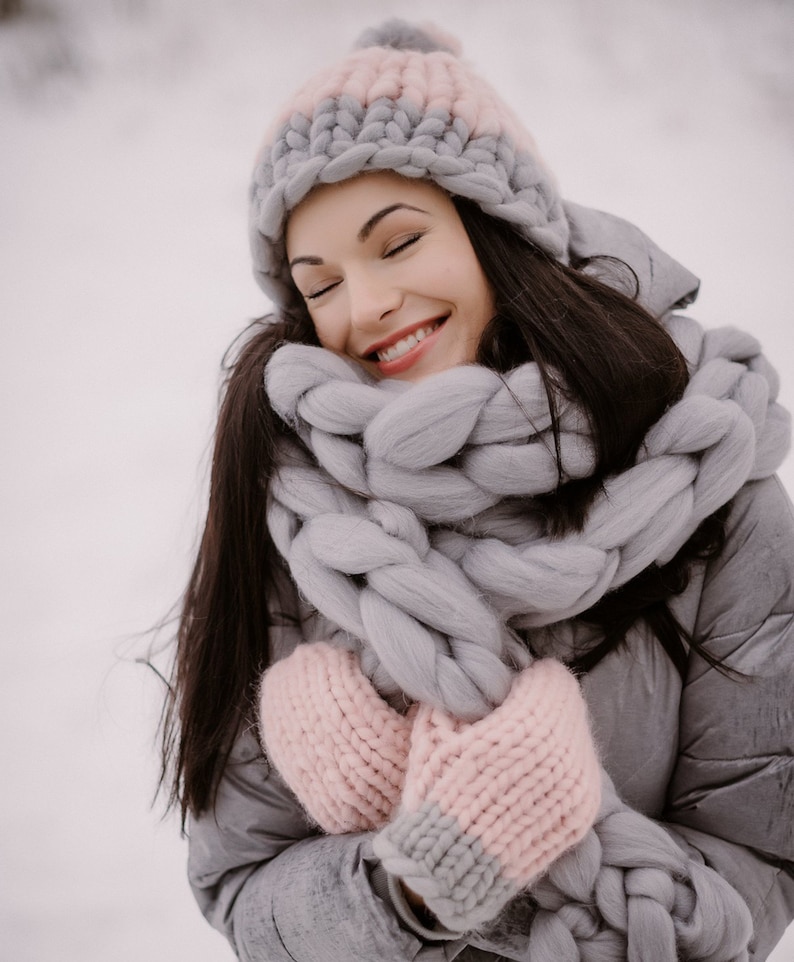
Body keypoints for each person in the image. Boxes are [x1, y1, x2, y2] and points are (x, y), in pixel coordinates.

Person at [159, 19, 794, 962]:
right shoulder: (290, 508)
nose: (363, 305)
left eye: (399, 242)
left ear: (499, 232)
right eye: (318, 282)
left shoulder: (715, 490)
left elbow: (762, 857)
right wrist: (411, 887)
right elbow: (239, 886)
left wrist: (510, 868)